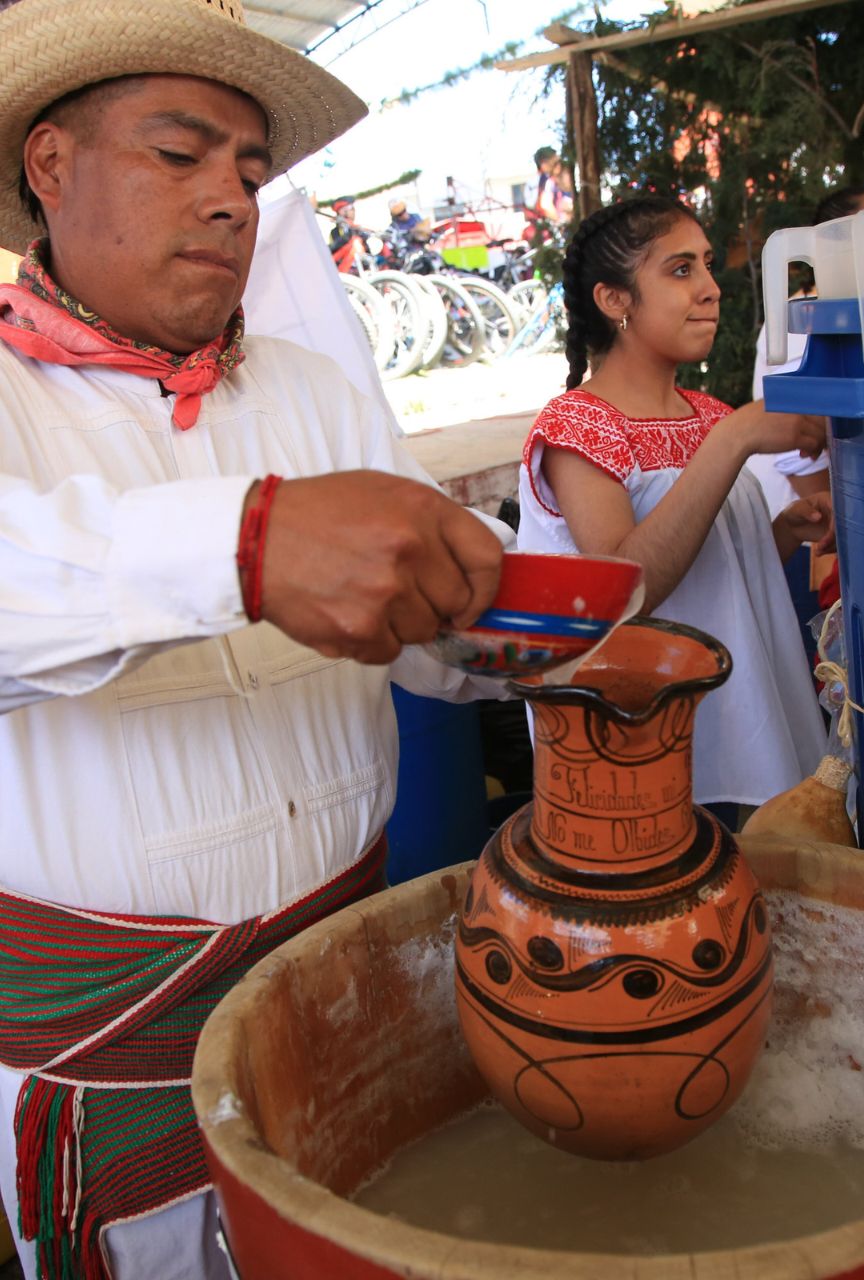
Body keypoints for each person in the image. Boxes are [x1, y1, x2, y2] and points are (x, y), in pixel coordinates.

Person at [0, 2, 514, 1274]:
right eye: (181, 157)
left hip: (348, 999)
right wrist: (246, 546)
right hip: (116, 1046)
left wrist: (505, 626)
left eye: (246, 169)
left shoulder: (313, 389)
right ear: (51, 166)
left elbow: (418, 638)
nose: (231, 200)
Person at [515, 196, 831, 825]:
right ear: (615, 300)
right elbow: (626, 589)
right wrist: (735, 440)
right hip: (645, 744)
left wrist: (783, 534)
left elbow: (718, 578)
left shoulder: (706, 413)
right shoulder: (577, 427)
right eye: (681, 270)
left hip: (746, 712)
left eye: (708, 266)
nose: (712, 288)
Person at [746, 184, 864, 515]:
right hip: (801, 522)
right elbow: (793, 445)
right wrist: (840, 522)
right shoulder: (802, 320)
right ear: (838, 244)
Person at [529, 143, 573, 224]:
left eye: (556, 163)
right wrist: (561, 220)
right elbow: (546, 204)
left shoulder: (572, 171)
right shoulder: (549, 182)